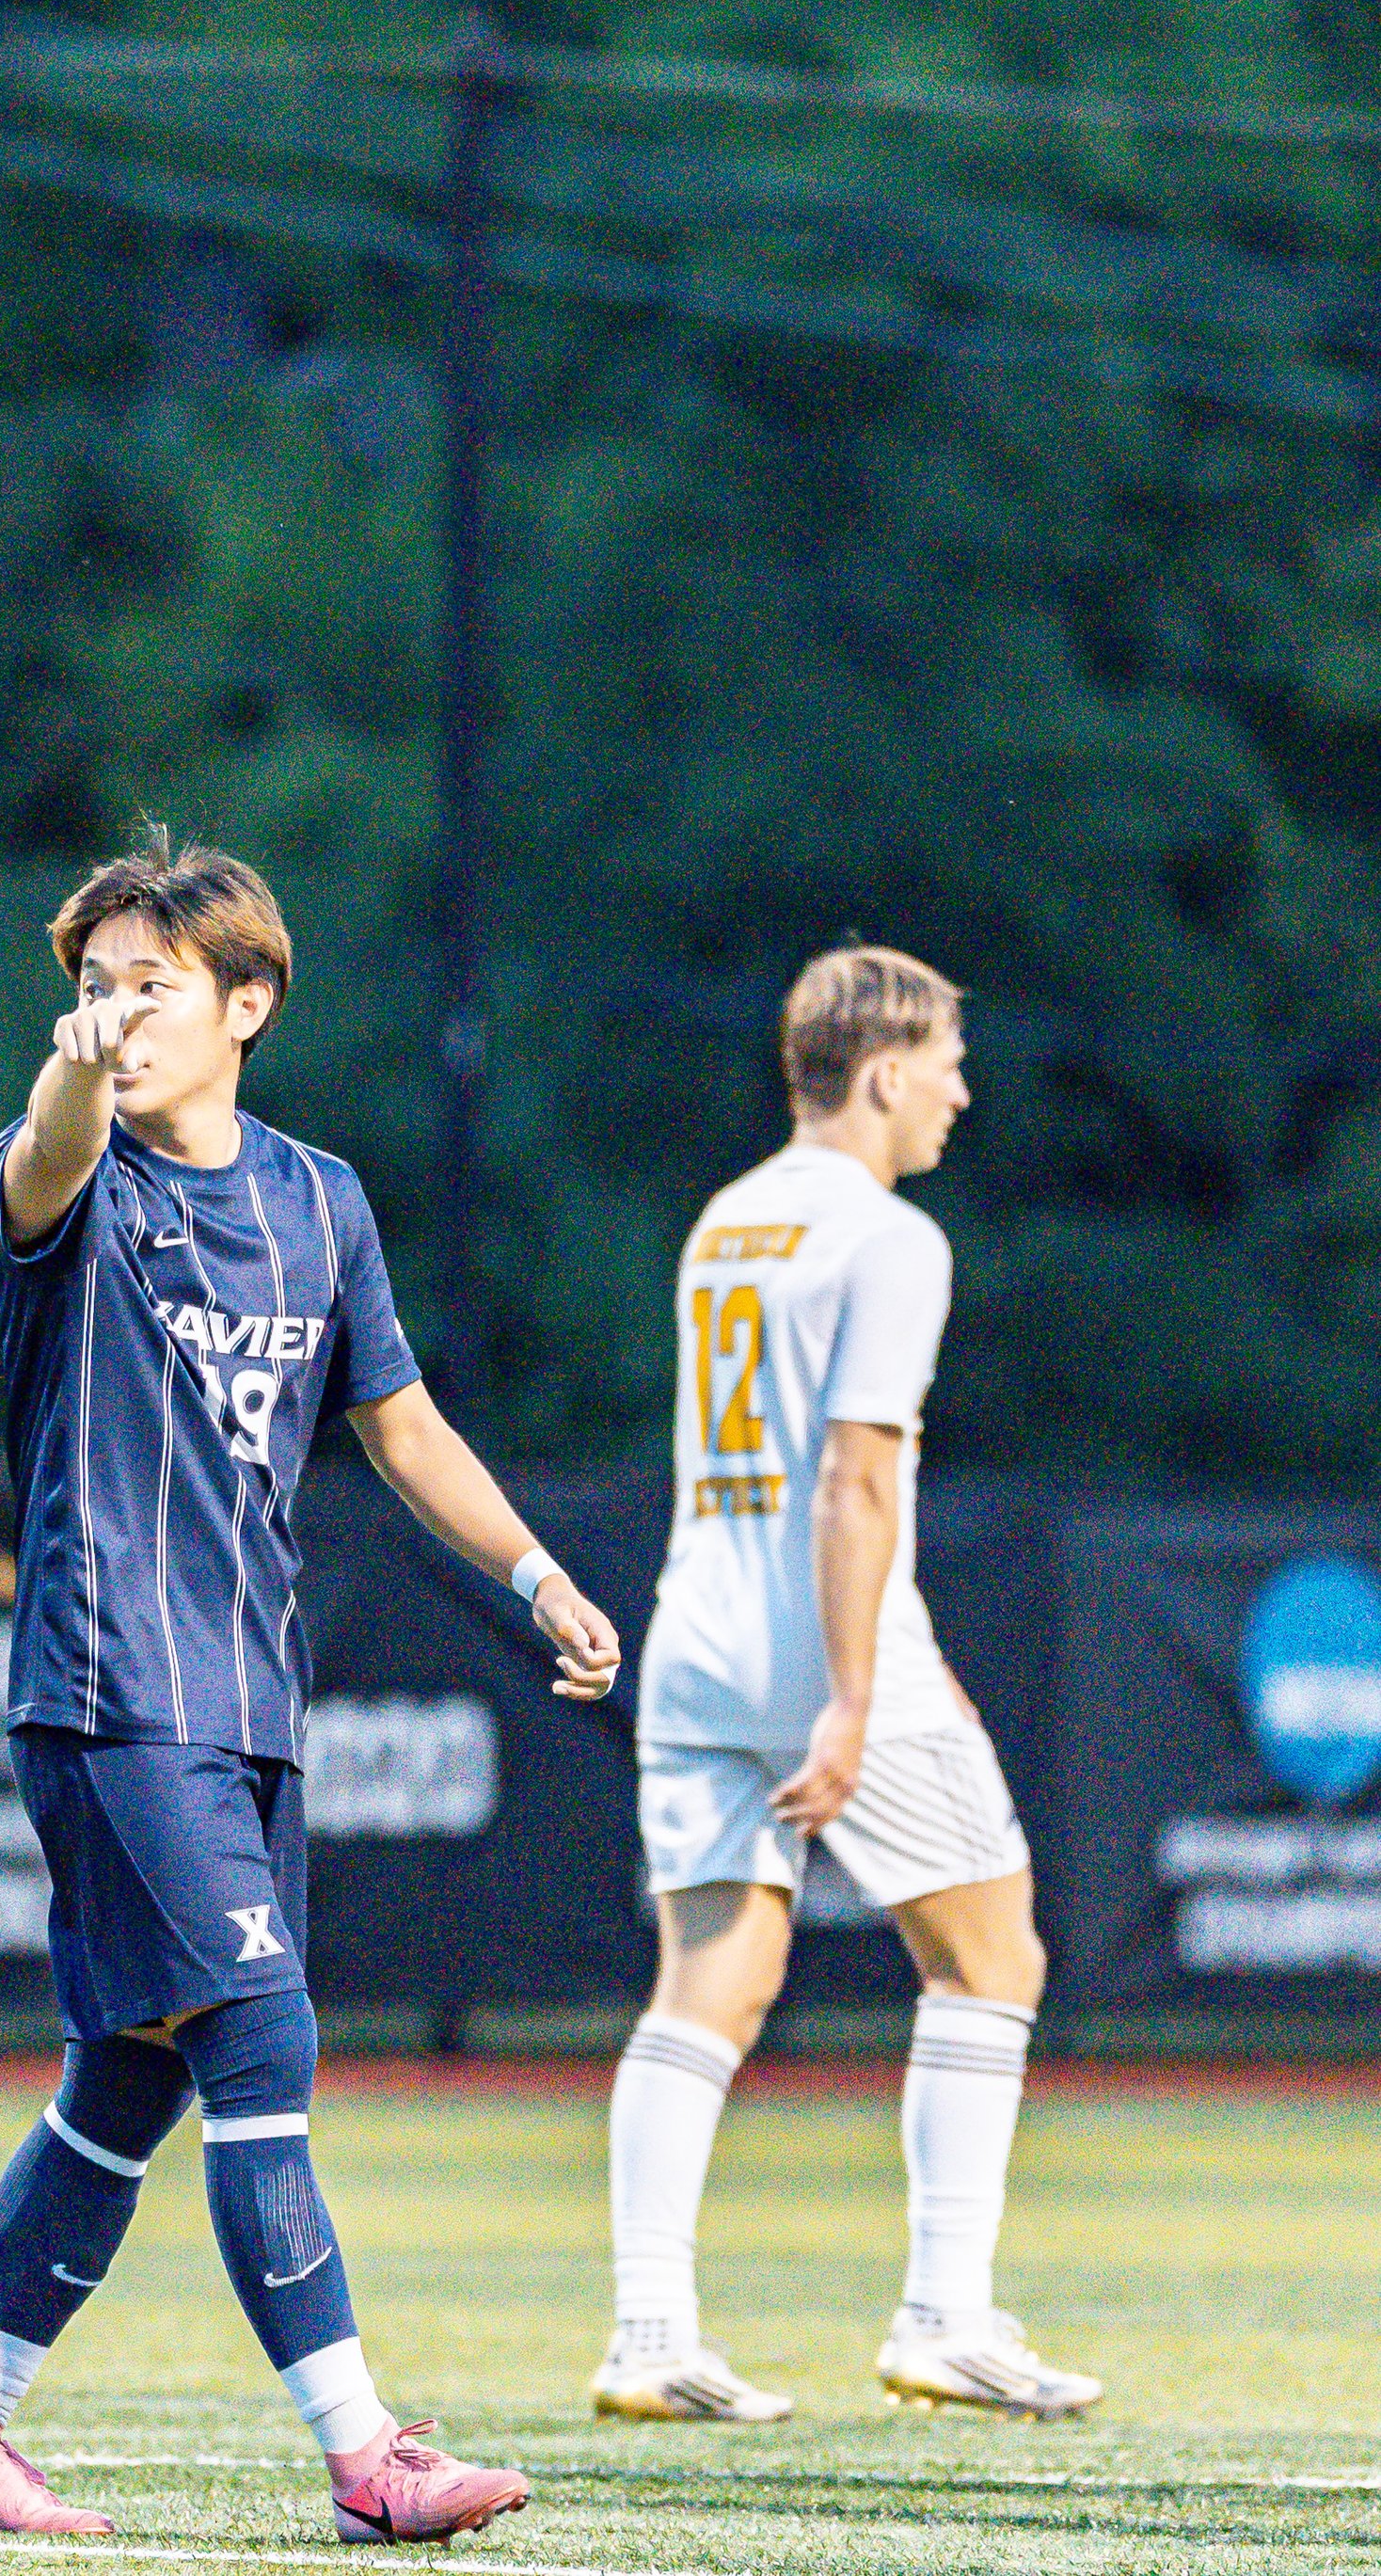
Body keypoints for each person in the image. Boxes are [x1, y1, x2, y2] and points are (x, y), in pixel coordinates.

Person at [0, 825, 622, 2547]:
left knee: (130, 2074)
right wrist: (71, 1070)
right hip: (105, 1685)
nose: (116, 1016)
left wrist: (537, 1577)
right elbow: (44, 1158)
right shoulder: (68, 1177)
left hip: (249, 1706)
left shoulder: (319, 1201)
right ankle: (369, 2454)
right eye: (91, 987)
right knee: (259, 2031)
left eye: (151, 988)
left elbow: (405, 1429)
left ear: (249, 1005)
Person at [591, 946, 1102, 2424]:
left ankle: (649, 2331)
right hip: (826, 1642)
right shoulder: (891, 1236)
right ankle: (945, 2313)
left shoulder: (725, 1222)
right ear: (880, 1072)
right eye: (944, 1058)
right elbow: (858, 1482)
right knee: (994, 1955)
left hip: (697, 1633)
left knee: (712, 1982)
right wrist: (856, 1695)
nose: (958, 1088)